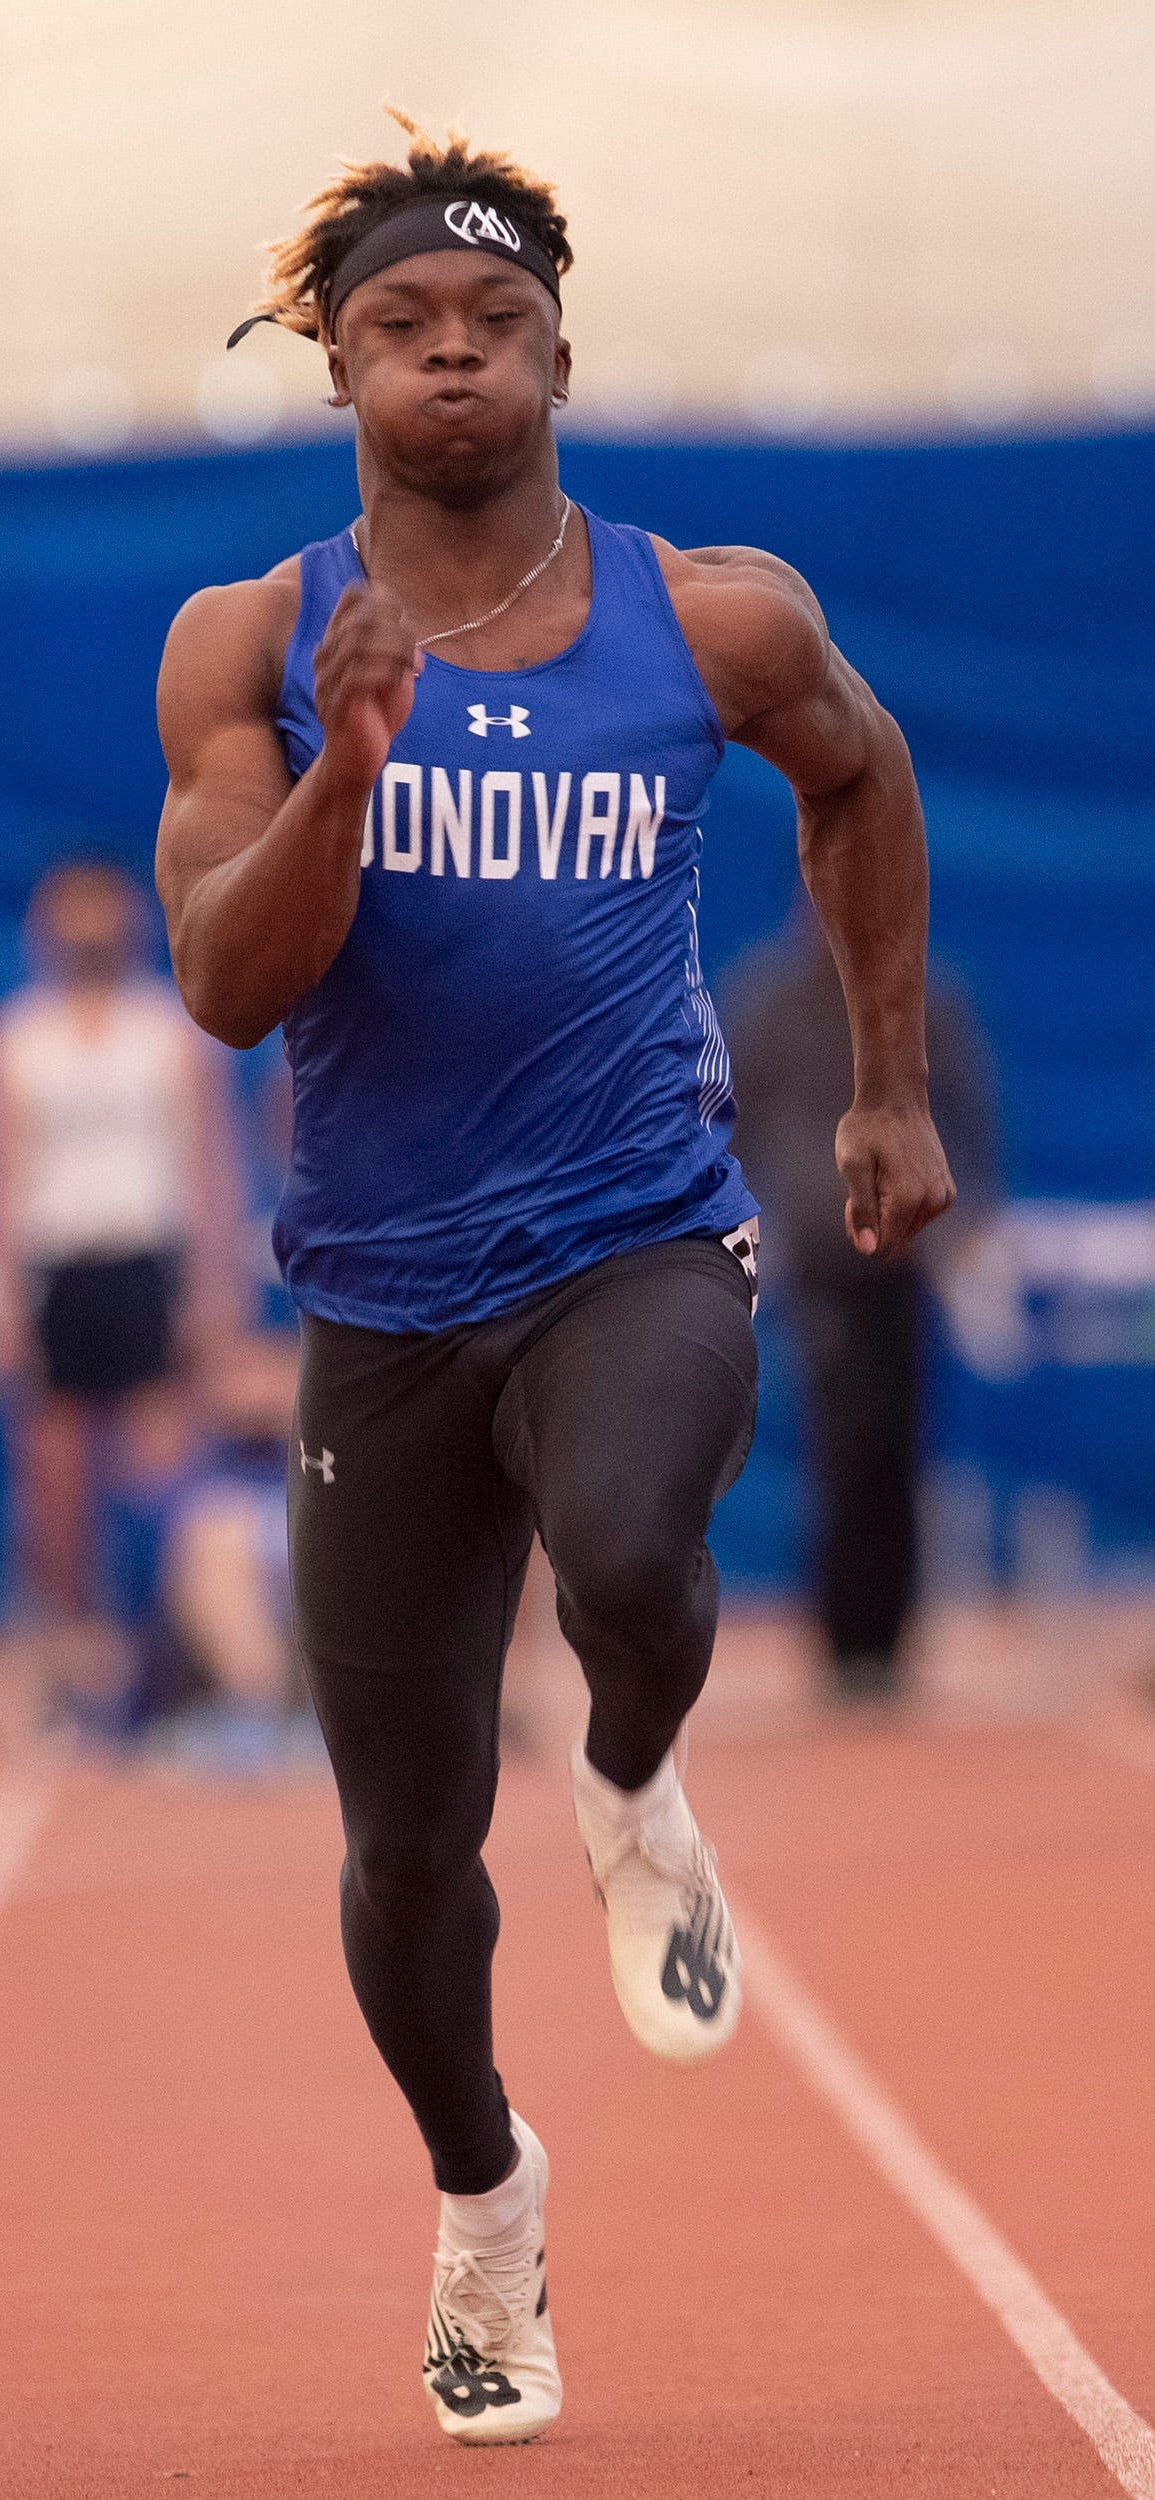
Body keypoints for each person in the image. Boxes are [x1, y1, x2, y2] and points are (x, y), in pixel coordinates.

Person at [154, 115, 954, 2445]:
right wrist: (345, 773)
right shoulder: (253, 642)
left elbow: (863, 780)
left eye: (493, 322)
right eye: (405, 326)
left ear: (562, 353)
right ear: (338, 365)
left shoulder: (711, 616)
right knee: (403, 1841)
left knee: (627, 1543)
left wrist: (884, 1082)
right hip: (378, 1302)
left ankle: (635, 1776)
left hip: (633, 1230)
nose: (454, 358)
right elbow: (224, 980)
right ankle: (485, 2206)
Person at [0, 858, 245, 1686]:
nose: (87, 929)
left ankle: (173, 1651)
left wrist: (214, 1293)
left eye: (101, 910)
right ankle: (73, 1652)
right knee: (55, 1480)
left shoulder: (169, 1033)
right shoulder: (12, 1040)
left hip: (148, 1266)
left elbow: (209, 1168)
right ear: (43, 927)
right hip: (58, 1271)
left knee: (163, 1467)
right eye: (69, 913)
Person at [725, 903, 999, 1699]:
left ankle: (892, 1635)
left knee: (897, 1439)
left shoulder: (925, 999)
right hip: (821, 1257)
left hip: (908, 1257)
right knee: (842, 1440)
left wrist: (965, 1218)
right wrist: (749, 1221)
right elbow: (729, 1119)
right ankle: (847, 1642)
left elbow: (971, 1114)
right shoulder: (769, 999)